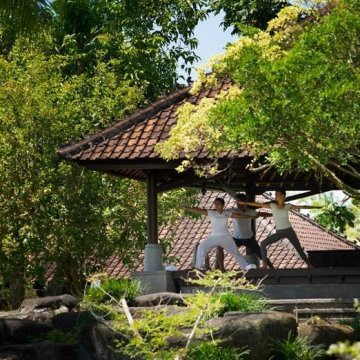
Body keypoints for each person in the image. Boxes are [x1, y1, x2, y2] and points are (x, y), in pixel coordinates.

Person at [236, 188, 323, 269]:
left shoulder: (288, 206)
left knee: (298, 249)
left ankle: (310, 265)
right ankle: (265, 265)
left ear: (283, 196)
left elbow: (303, 206)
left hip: (289, 231)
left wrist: (317, 207)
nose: (275, 196)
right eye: (275, 194)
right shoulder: (272, 205)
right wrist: (245, 203)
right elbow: (259, 204)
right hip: (279, 232)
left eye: (277, 194)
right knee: (263, 244)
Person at [184, 197, 257, 271]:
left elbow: (239, 216)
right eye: (215, 204)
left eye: (218, 204)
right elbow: (199, 210)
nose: (216, 205)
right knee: (201, 247)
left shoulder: (226, 213)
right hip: (213, 238)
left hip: (226, 238)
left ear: (222, 205)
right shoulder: (211, 213)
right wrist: (187, 208)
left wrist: (251, 216)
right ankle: (198, 268)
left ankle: (246, 266)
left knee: (235, 252)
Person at [216, 193, 273, 270]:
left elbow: (262, 214)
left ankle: (272, 269)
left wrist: (274, 214)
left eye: (240, 201)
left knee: (261, 254)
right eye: (237, 201)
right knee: (220, 247)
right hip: (236, 239)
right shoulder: (233, 210)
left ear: (244, 202)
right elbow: (221, 212)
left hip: (249, 239)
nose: (238, 203)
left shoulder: (250, 211)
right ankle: (222, 269)